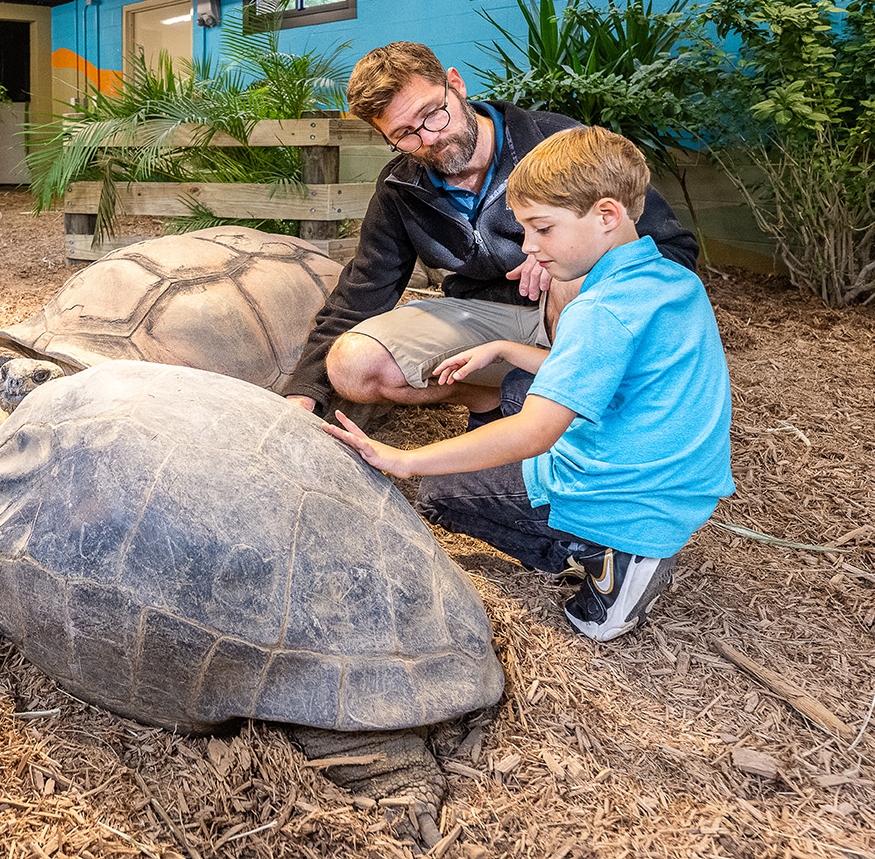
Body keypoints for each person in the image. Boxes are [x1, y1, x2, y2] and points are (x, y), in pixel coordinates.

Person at [323, 126, 734, 640]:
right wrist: (503, 348)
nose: (529, 248)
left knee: (438, 493)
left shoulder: (600, 309)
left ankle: (606, 555)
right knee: (517, 385)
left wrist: (405, 460)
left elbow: (534, 433)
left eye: (542, 229)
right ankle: (626, 538)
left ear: (607, 215)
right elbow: (609, 369)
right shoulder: (670, 279)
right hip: (679, 481)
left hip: (626, 497)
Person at [282, 41, 698, 426]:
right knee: (353, 366)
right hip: (481, 316)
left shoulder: (559, 144)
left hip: (576, 317)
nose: (429, 138)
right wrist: (304, 391)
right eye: (405, 135)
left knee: (572, 281)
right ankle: (494, 397)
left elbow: (672, 249)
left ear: (456, 84)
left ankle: (570, 410)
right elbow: (363, 291)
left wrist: (571, 258)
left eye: (432, 113)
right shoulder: (400, 187)